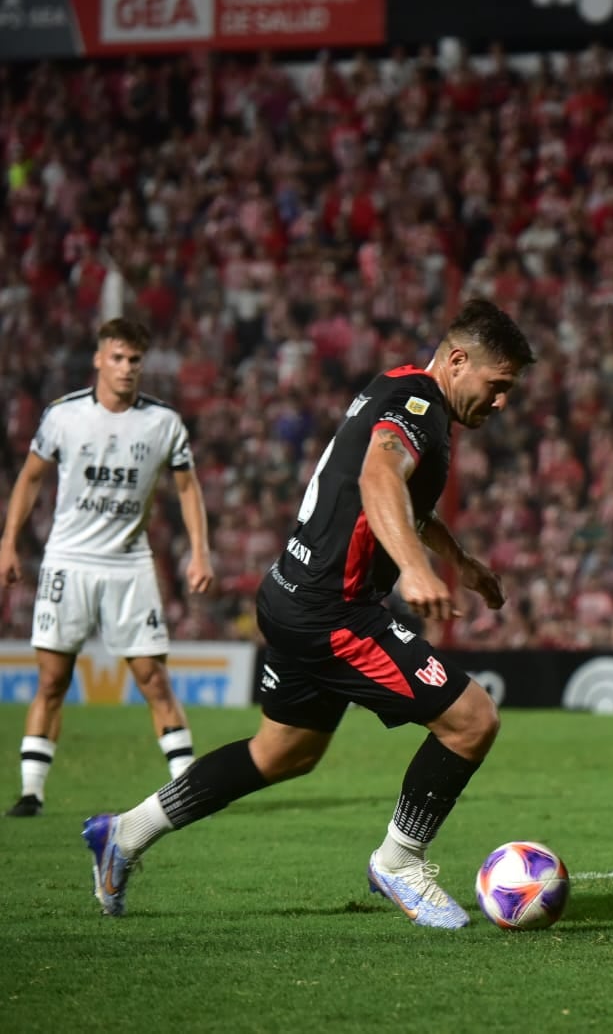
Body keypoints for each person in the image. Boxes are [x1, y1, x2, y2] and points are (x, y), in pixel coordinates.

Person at [82, 298, 535, 929]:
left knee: (282, 753)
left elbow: (396, 496)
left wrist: (458, 559)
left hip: (290, 594)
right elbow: (380, 478)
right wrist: (411, 566)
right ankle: (400, 861)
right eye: (499, 385)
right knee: (471, 720)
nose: (502, 401)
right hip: (334, 610)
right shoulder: (421, 407)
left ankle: (125, 833)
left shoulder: (397, 387)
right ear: (459, 362)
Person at [0, 317, 214, 818]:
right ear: (99, 359)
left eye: (134, 360)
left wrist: (199, 551)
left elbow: (188, 488)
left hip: (128, 565)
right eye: (117, 358)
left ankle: (188, 789)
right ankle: (32, 792)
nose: (125, 368)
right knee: (52, 680)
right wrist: (8, 541)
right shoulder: (64, 416)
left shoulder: (163, 423)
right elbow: (31, 478)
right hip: (68, 561)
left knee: (153, 679)